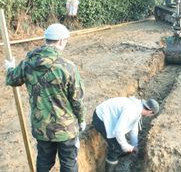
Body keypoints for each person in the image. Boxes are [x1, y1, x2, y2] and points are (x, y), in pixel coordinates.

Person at [4, 23, 86, 172]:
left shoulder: (28, 63)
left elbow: (12, 80)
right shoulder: (68, 67)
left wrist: (9, 67)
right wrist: (81, 120)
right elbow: (76, 100)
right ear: (61, 41)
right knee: (68, 163)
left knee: (44, 161)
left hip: (41, 126)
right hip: (65, 128)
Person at [92, 96, 159, 172]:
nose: (149, 116)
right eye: (151, 115)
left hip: (108, 116)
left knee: (120, 145)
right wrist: (126, 147)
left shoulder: (138, 108)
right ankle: (112, 160)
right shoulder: (132, 111)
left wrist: (134, 145)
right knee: (116, 148)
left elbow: (134, 129)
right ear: (150, 112)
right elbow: (118, 131)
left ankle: (116, 156)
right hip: (100, 118)